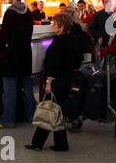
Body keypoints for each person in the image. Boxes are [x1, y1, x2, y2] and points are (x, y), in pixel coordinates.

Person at [25, 13, 81, 152]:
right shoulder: (73, 39)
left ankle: (37, 143)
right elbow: (77, 61)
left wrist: (49, 81)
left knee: (49, 110)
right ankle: (61, 144)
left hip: (55, 81)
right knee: (57, 111)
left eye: (54, 23)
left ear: (61, 26)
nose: (52, 25)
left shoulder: (58, 41)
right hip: (66, 80)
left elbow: (53, 64)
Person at [0, 0, 36, 129]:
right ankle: (31, 116)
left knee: (9, 90)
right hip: (25, 53)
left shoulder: (10, 12)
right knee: (28, 88)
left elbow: (4, 33)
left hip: (11, 54)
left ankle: (8, 120)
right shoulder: (29, 13)